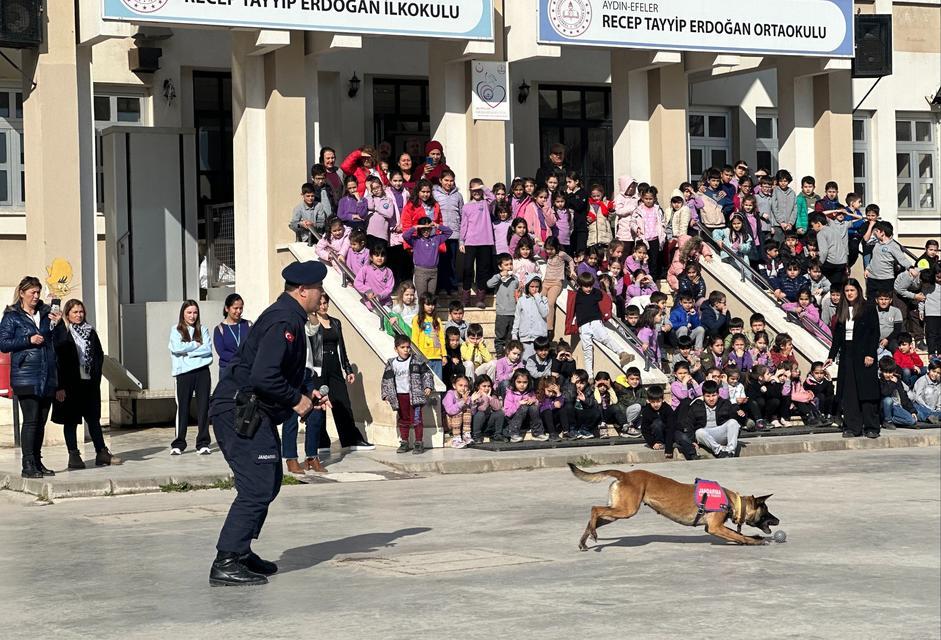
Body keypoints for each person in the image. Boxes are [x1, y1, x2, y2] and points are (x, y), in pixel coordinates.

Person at [208, 260, 329, 586]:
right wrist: (296, 400)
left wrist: (308, 390)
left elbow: (280, 369)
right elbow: (264, 376)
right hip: (239, 410)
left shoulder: (288, 316)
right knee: (257, 485)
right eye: (318, 288)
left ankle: (242, 552)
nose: (322, 294)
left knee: (270, 480)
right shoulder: (284, 320)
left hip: (250, 410)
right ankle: (226, 561)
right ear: (303, 290)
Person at [0, 276, 61, 478]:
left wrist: (57, 323)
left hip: (47, 374)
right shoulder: (12, 316)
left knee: (41, 421)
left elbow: (55, 339)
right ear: (22, 293)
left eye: (38, 292)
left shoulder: (45, 313)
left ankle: (37, 461)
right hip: (25, 375)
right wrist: (28, 339)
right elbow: (4, 343)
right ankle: (27, 465)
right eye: (32, 292)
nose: (36, 296)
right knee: (31, 420)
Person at [52, 299, 121, 469]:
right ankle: (74, 456)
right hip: (69, 385)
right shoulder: (63, 332)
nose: (79, 315)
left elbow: (99, 354)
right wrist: (59, 386)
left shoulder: (90, 332)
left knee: (93, 420)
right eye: (75, 312)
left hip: (89, 384)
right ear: (67, 314)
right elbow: (58, 359)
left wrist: (95, 375)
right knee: (71, 421)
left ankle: (102, 453)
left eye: (81, 311)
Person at [826, 279, 881, 438]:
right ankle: (852, 427)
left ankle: (871, 427)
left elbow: (874, 333)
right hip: (847, 354)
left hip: (864, 353)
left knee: (867, 391)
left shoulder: (868, 308)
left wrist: (870, 353)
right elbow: (837, 335)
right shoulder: (841, 309)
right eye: (847, 290)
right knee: (849, 392)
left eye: (852, 290)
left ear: (858, 291)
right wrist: (831, 355)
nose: (849, 293)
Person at [564, 271, 634, 377]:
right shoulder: (576, 295)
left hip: (596, 321)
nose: (588, 289)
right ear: (580, 285)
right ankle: (590, 376)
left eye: (590, 286)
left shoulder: (596, 292)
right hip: (583, 326)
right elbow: (571, 311)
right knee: (587, 349)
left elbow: (606, 300)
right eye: (586, 286)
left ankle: (622, 353)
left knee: (605, 338)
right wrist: (573, 326)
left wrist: (605, 315)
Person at [168, 300, 213, 456]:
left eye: (195, 312)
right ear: (183, 314)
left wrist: (187, 353)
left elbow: (208, 350)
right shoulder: (176, 330)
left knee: (203, 408)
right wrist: (195, 345)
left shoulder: (204, 330)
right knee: (183, 408)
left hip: (202, 372)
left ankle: (203, 443)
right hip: (183, 374)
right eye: (189, 312)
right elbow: (176, 348)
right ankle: (179, 443)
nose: (192, 316)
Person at [382, 335, 435, 454]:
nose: (406, 350)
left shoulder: (417, 361)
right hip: (399, 397)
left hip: (415, 396)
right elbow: (386, 379)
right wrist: (385, 393)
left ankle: (418, 443)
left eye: (408, 347)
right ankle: (404, 442)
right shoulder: (392, 363)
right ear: (396, 349)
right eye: (402, 347)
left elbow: (427, 374)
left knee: (417, 419)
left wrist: (428, 386)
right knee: (403, 420)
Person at [459, 179, 496, 308]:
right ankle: (466, 298)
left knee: (483, 270)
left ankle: (480, 298)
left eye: (478, 190)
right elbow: (463, 225)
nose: (476, 192)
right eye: (473, 190)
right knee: (467, 269)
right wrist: (461, 241)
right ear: (470, 191)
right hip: (470, 242)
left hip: (485, 242)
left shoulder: (486, 204)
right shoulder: (466, 206)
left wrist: (483, 187)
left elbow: (493, 198)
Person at [688, 379, 742, 458]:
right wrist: (691, 441)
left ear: (718, 395)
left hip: (720, 433)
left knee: (733, 422)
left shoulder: (725, 403)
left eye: (714, 395)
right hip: (705, 436)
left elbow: (733, 421)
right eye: (708, 396)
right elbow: (689, 424)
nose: (711, 399)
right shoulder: (696, 405)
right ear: (703, 396)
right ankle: (719, 451)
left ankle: (730, 451)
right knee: (699, 432)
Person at [403, 217, 452, 298]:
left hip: (433, 272)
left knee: (431, 298)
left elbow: (449, 232)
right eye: (423, 229)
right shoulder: (416, 240)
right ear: (420, 229)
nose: (426, 231)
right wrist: (416, 227)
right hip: (421, 272)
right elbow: (405, 236)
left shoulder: (436, 239)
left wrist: (437, 225)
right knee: (422, 297)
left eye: (428, 229)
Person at [487, 253, 518, 355]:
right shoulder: (498, 278)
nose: (509, 267)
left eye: (510, 264)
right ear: (500, 267)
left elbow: (518, 290)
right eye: (506, 265)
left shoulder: (514, 278)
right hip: (502, 314)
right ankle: (500, 355)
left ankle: (508, 355)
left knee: (510, 337)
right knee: (500, 337)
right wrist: (500, 275)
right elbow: (489, 284)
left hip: (513, 313)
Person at [512, 273, 549, 360]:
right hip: (525, 337)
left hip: (539, 339)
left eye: (537, 287)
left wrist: (538, 298)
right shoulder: (522, 300)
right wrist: (514, 333)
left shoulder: (544, 299)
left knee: (538, 362)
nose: (534, 289)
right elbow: (517, 318)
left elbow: (544, 313)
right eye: (532, 286)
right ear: (528, 287)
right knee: (525, 361)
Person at [214, 293, 252, 373]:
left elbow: (254, 345)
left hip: (246, 368)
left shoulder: (248, 325)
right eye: (235, 308)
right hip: (227, 369)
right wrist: (241, 358)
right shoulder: (219, 329)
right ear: (227, 308)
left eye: (241, 308)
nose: (238, 311)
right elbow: (222, 352)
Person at [504, 369, 545, 442]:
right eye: (519, 382)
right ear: (514, 382)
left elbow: (539, 406)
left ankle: (537, 433)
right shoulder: (510, 393)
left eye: (525, 382)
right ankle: (513, 434)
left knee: (533, 407)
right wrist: (519, 403)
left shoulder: (530, 393)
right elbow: (507, 413)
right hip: (513, 422)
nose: (522, 385)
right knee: (523, 407)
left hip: (527, 421)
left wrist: (534, 401)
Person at [411, 293, 445, 379]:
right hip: (424, 357)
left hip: (437, 357)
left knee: (438, 383)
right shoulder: (417, 319)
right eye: (428, 304)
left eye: (433, 304)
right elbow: (415, 338)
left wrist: (444, 355)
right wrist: (417, 355)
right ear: (422, 305)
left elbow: (441, 338)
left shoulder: (437, 320)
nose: (431, 307)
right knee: (425, 381)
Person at [878, 357, 917, 429]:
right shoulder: (880, 380)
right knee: (888, 400)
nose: (888, 375)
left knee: (912, 420)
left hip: (897, 406)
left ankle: (888, 420)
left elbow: (903, 395)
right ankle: (887, 420)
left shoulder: (897, 379)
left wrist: (912, 411)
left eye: (890, 372)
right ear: (881, 371)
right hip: (885, 408)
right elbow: (885, 393)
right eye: (886, 372)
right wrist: (892, 383)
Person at [443, 375, 474, 448]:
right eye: (460, 385)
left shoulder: (466, 396)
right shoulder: (450, 394)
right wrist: (463, 401)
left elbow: (472, 412)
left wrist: (473, 401)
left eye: (466, 386)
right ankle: (456, 439)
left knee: (467, 410)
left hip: (460, 423)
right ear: (454, 386)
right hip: (447, 422)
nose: (463, 388)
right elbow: (450, 411)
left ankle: (466, 435)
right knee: (458, 412)